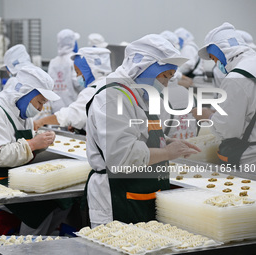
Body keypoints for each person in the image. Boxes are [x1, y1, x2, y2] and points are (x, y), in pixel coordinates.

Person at [85, 34, 200, 227]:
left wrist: (167, 143)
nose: (165, 84)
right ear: (144, 67)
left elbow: (145, 136)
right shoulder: (112, 96)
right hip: (117, 197)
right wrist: (166, 153)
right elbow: (120, 157)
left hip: (143, 193)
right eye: (164, 76)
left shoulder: (141, 94)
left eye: (170, 78)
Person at [0, 66, 70, 234]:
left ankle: (40, 244)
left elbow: (22, 146)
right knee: (40, 207)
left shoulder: (23, 116)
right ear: (25, 93)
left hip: (13, 176)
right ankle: (24, 247)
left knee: (62, 201)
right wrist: (33, 145)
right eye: (39, 102)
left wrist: (41, 145)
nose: (40, 109)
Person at [192, 22, 256, 167]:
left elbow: (228, 130)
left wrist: (209, 116)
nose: (216, 64)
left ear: (220, 52)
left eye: (214, 59)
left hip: (250, 160)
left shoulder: (236, 78)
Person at [34, 47, 112, 133]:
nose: (78, 77)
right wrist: (80, 125)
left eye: (78, 72)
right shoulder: (110, 84)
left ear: (89, 70)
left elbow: (70, 115)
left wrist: (41, 121)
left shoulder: (92, 91)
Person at [3, 44, 51, 120]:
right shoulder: (39, 74)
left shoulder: (14, 81)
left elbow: (6, 109)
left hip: (32, 122)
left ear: (9, 68)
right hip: (45, 120)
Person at [48, 29, 83, 113]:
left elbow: (50, 85)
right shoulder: (74, 60)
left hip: (55, 109)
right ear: (72, 43)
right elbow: (78, 84)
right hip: (72, 108)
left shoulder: (53, 62)